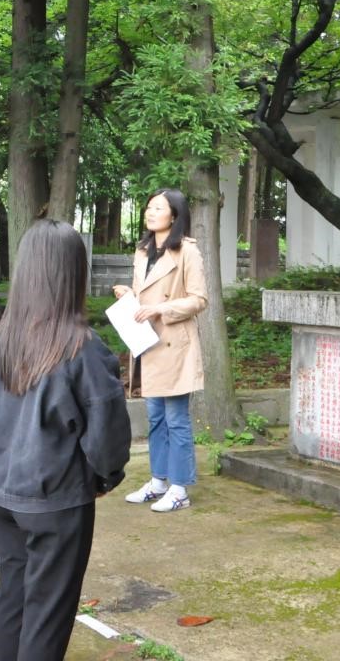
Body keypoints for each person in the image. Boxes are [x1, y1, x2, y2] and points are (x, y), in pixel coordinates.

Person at [0, 219, 131, 661]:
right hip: (56, 500)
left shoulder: (3, 338)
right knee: (46, 613)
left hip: (4, 495)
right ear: (73, 273)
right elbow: (107, 432)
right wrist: (105, 476)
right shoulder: (81, 347)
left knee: (14, 598)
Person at [114, 188, 208, 512]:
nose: (150, 212)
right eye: (149, 207)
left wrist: (160, 309)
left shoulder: (187, 251)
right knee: (155, 417)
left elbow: (199, 299)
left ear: (175, 215)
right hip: (147, 343)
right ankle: (158, 482)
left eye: (158, 208)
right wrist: (129, 295)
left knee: (176, 418)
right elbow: (144, 296)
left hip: (174, 344)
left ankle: (179, 489)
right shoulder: (142, 251)